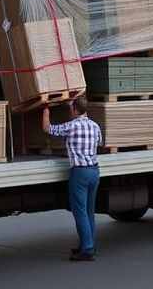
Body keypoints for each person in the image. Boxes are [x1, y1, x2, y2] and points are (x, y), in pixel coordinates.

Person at [42, 95, 102, 261]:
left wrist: (45, 108)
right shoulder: (95, 126)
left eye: (71, 108)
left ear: (75, 109)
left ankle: (87, 249)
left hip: (80, 173)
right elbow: (99, 142)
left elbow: (47, 129)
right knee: (90, 211)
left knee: (80, 211)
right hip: (94, 171)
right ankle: (88, 244)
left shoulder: (72, 126)